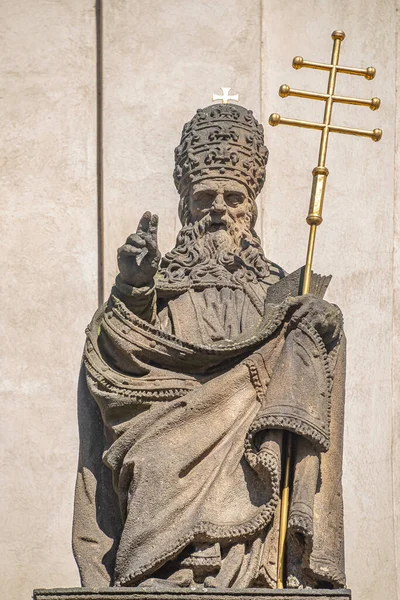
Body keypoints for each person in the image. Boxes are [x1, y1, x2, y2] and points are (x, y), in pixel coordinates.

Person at [73, 103, 346, 590]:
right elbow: (118, 351)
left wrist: (323, 322)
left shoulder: (275, 288)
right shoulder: (161, 281)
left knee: (256, 464)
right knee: (153, 460)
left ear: (250, 207)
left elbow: (307, 354)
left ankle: (252, 570)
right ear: (187, 206)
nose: (219, 208)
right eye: (205, 197)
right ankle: (164, 572)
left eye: (232, 197)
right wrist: (134, 287)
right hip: (168, 414)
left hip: (249, 423)